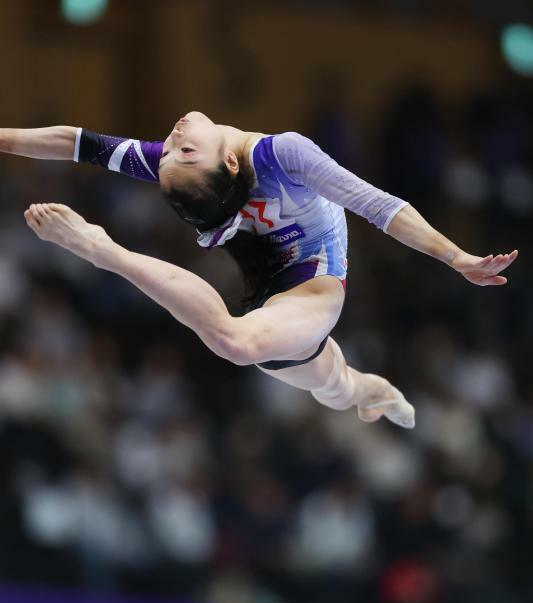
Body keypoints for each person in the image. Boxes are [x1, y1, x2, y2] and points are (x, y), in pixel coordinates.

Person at [0, 113, 518, 429]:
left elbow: (377, 206)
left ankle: (102, 250)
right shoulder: (188, 166)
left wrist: (456, 257)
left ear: (230, 167)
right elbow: (77, 145)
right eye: (174, 153)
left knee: (237, 345)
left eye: (176, 151)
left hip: (311, 291)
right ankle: (369, 391)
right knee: (337, 387)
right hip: (263, 296)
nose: (172, 138)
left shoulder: (286, 155)